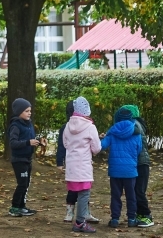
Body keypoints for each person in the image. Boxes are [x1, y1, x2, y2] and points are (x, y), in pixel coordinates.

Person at [62, 97, 102, 233]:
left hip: (71, 166)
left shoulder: (68, 125)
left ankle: (78, 219)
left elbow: (66, 144)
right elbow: (96, 148)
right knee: (84, 194)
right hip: (83, 165)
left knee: (76, 192)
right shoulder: (90, 127)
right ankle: (80, 222)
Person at [99, 107, 142, 228]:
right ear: (131, 118)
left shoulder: (112, 131)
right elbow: (139, 150)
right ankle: (132, 219)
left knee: (115, 195)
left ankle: (114, 219)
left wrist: (101, 138)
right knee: (131, 195)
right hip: (130, 170)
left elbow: (102, 146)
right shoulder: (136, 133)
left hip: (115, 171)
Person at [8, 97, 40, 217]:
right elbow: (13, 143)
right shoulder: (16, 125)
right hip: (19, 160)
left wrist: (38, 142)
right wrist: (28, 142)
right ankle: (14, 207)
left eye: (30, 111)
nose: (29, 113)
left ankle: (22, 206)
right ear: (19, 111)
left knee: (26, 184)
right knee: (21, 184)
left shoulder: (28, 124)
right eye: (26, 111)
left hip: (27, 159)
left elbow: (30, 139)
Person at [123, 104, 153, 228]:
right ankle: (138, 214)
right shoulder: (136, 123)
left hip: (141, 163)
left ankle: (146, 216)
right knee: (135, 190)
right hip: (136, 162)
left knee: (139, 191)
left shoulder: (135, 125)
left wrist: (113, 132)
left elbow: (126, 133)